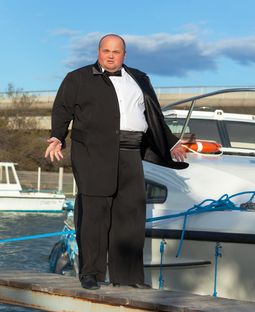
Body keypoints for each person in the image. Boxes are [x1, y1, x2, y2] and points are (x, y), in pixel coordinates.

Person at [45, 34, 188, 290]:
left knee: (131, 214)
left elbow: (153, 114)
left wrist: (171, 142)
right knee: (95, 215)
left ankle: (130, 278)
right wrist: (57, 137)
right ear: (98, 52)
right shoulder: (76, 78)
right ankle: (91, 273)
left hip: (131, 151)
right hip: (93, 153)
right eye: (106, 50)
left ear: (124, 54)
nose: (110, 55)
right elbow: (62, 110)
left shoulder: (140, 78)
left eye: (116, 51)